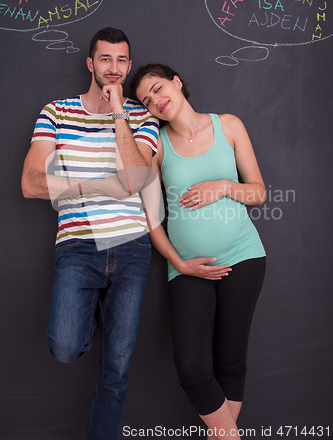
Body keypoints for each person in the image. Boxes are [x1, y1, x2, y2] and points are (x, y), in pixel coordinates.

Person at [21, 28, 159, 440]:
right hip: (78, 247)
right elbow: (30, 184)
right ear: (90, 63)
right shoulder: (56, 112)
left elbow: (135, 179)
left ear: (128, 66)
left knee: (116, 368)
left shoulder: (141, 115)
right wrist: (91, 187)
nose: (113, 69)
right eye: (105, 60)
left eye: (121, 61)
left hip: (131, 247)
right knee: (65, 348)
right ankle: (94, 309)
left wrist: (119, 114)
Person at [131, 64, 266, 440]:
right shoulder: (156, 145)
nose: (156, 101)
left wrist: (222, 185)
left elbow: (258, 192)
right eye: (145, 100)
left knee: (231, 359)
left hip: (243, 256)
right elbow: (153, 220)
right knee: (192, 367)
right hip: (187, 269)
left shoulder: (229, 126)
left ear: (177, 83)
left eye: (158, 88)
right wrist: (179, 264)